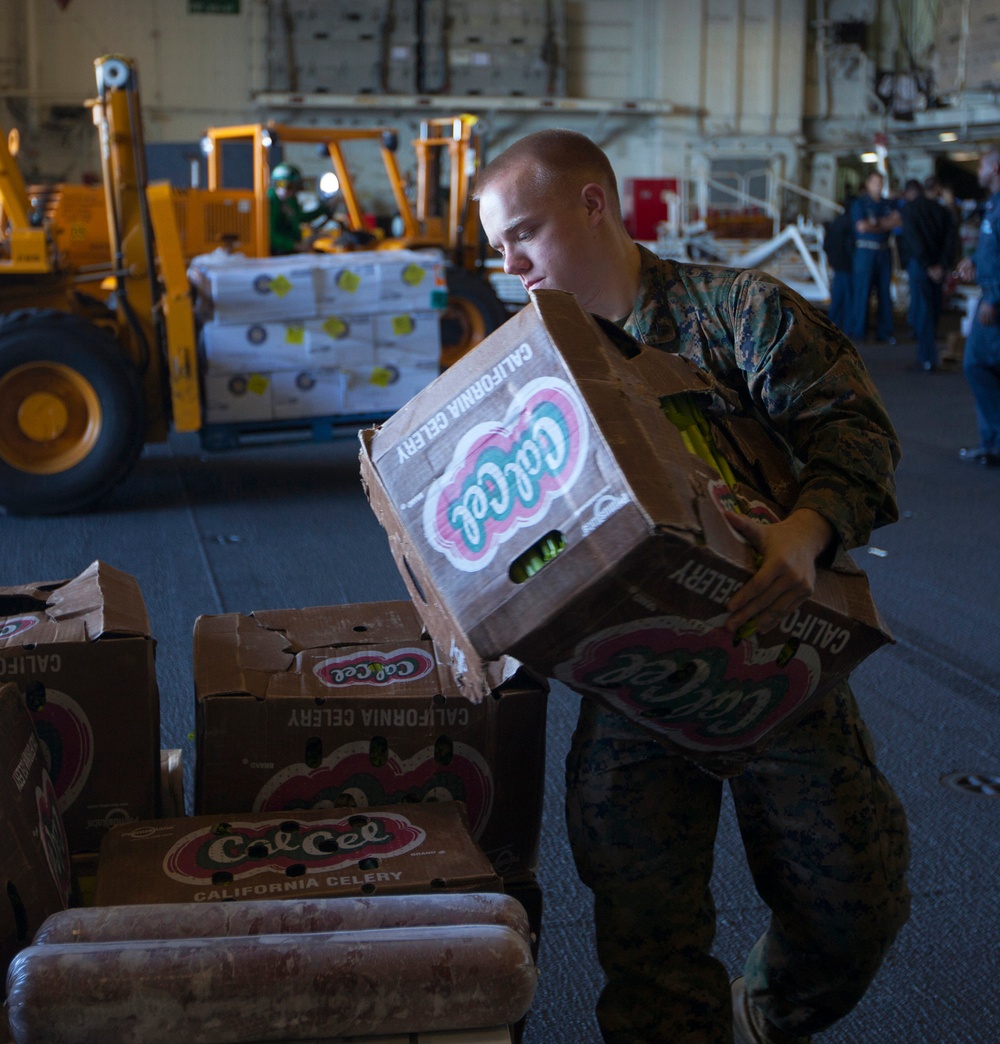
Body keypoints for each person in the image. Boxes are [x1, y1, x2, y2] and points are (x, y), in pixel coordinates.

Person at [475, 130, 911, 1044]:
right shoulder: (533, 368)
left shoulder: (739, 313)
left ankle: (757, 1014)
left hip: (778, 659)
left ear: (595, 204)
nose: (509, 265)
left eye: (525, 233)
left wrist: (806, 529)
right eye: (498, 247)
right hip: (631, 682)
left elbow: (857, 436)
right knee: (647, 948)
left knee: (852, 917)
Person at [956, 147, 1000, 467]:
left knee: (976, 364)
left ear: (995, 168)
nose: (978, 172)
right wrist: (973, 261)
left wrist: (994, 299)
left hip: (994, 300)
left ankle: (995, 443)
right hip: (990, 293)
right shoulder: (993, 205)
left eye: (982, 166)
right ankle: (992, 443)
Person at [899, 178, 958, 371]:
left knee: (922, 307)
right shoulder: (944, 211)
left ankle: (926, 357)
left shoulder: (910, 209)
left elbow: (913, 239)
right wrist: (941, 265)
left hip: (920, 266)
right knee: (933, 309)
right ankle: (928, 355)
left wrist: (927, 265)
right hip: (938, 268)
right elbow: (951, 241)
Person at [845, 170, 901, 343]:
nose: (879, 186)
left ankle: (884, 332)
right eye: (875, 182)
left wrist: (875, 223)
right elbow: (862, 227)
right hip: (865, 252)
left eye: (881, 182)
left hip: (884, 252)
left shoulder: (888, 204)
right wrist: (884, 223)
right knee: (862, 291)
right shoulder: (859, 204)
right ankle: (858, 331)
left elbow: (898, 222)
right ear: (868, 184)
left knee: (885, 292)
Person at [267, 162, 330, 255]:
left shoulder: (291, 200)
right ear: (274, 183)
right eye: (280, 184)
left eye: (290, 186)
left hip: (292, 250)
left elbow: (299, 217)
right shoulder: (269, 201)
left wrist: (324, 208)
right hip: (276, 252)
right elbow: (269, 235)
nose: (285, 190)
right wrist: (295, 246)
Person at [822, 200, 855, 331]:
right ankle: (847, 327)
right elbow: (850, 246)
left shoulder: (837, 222)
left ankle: (834, 325)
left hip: (837, 263)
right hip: (846, 264)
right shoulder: (850, 223)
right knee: (847, 297)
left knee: (837, 296)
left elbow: (827, 244)